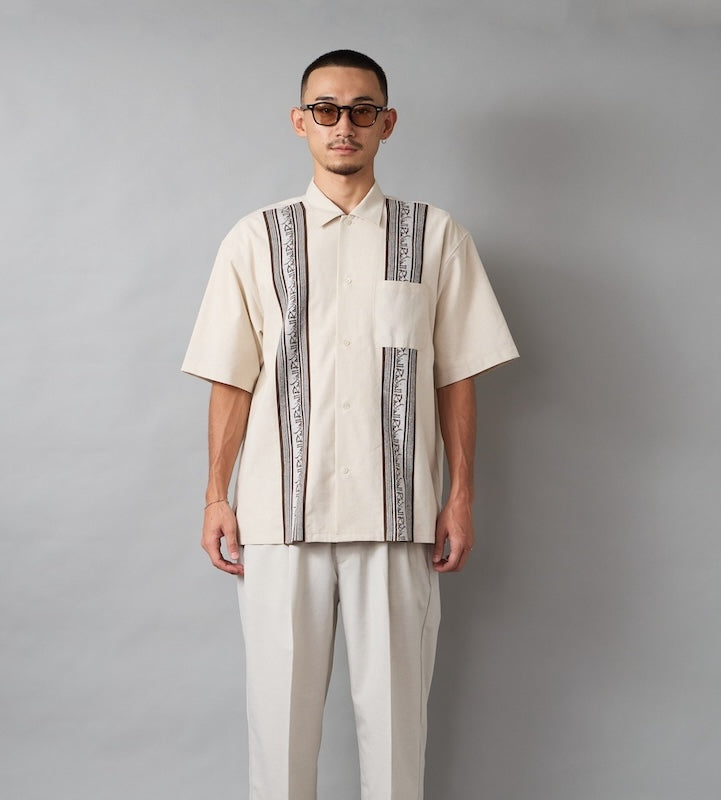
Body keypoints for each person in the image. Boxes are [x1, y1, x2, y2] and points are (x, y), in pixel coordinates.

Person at [182, 49, 518, 800]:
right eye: (326, 110)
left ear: (386, 124)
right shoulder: (255, 239)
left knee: (397, 739)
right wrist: (215, 494)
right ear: (300, 121)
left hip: (396, 518)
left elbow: (457, 375)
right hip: (278, 518)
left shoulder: (435, 237)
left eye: (362, 110)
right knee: (279, 735)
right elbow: (232, 378)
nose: (344, 125)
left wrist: (460, 495)